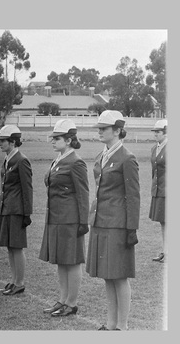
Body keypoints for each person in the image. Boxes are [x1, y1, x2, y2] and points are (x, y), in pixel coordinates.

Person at [88, 110, 140, 331]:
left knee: (119, 276)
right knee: (107, 276)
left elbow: (134, 196)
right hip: (100, 222)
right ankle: (111, 324)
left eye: (104, 128)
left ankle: (122, 326)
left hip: (118, 225)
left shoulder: (127, 158)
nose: (100, 132)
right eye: (99, 128)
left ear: (117, 130)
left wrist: (132, 229)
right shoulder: (102, 155)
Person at [39, 119, 90, 317]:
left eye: (57, 138)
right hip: (56, 217)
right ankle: (62, 299)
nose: (52, 141)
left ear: (69, 140)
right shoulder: (58, 159)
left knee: (72, 261)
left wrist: (83, 222)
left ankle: (72, 302)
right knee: (61, 260)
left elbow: (83, 193)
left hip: (70, 219)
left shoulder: (76, 162)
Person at [0, 125, 33, 296]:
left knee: (16, 247)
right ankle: (14, 280)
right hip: (6, 208)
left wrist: (26, 213)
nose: (0, 144)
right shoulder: (9, 158)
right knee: (10, 246)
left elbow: (27, 189)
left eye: (3, 141)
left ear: (13, 142)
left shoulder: (21, 160)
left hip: (16, 210)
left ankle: (20, 282)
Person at [149, 119, 167, 263]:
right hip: (158, 190)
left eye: (158, 131)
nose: (155, 134)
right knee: (163, 222)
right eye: (154, 131)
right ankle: (165, 251)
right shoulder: (154, 148)